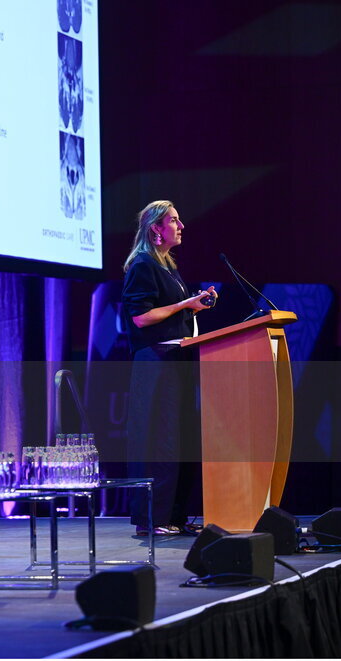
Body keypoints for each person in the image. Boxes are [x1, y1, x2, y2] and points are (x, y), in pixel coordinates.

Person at [121, 200, 217, 536]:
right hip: (155, 363)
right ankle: (153, 518)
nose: (182, 226)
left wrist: (194, 307)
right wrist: (184, 304)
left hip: (177, 359)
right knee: (159, 440)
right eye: (174, 221)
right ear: (156, 230)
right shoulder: (143, 265)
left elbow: (172, 315)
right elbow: (141, 316)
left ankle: (173, 515)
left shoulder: (167, 266)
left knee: (179, 439)